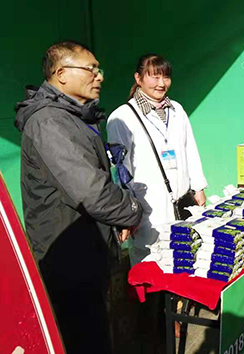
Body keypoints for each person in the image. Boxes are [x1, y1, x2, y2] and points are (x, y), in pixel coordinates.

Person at [15, 41, 143, 354]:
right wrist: (132, 211)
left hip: (86, 249)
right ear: (61, 74)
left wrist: (116, 220)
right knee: (84, 340)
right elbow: (91, 191)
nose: (99, 76)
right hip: (69, 260)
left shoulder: (74, 116)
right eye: (91, 69)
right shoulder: (49, 122)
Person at [107, 54, 208, 266]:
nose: (161, 83)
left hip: (182, 201)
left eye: (166, 77)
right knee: (151, 262)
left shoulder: (177, 110)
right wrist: (128, 212)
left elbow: (190, 149)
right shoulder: (121, 117)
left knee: (185, 258)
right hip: (148, 209)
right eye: (154, 77)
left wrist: (198, 188)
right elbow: (119, 171)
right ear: (138, 78)